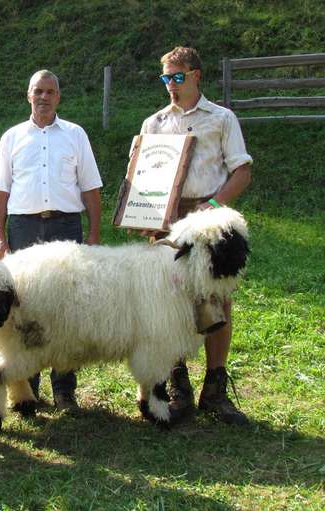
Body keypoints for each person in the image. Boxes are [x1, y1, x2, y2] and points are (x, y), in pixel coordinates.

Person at [140, 46, 252, 425]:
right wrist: (143, 213)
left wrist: (215, 204)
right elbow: (139, 178)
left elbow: (242, 171)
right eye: (166, 78)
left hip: (208, 222)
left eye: (178, 77)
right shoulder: (154, 123)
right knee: (168, 305)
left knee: (217, 302)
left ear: (196, 75)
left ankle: (215, 392)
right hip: (167, 220)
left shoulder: (222, 118)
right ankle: (178, 389)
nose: (171, 85)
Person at [0, 69, 103, 410]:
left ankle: (65, 389)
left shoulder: (75, 135)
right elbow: (0, 192)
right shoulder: (11, 137)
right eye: (38, 90)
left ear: (58, 97)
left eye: (50, 91)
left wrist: (94, 233)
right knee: (24, 306)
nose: (43, 97)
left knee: (68, 308)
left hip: (66, 227)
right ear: (28, 95)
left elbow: (91, 188)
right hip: (23, 227)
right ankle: (28, 387)